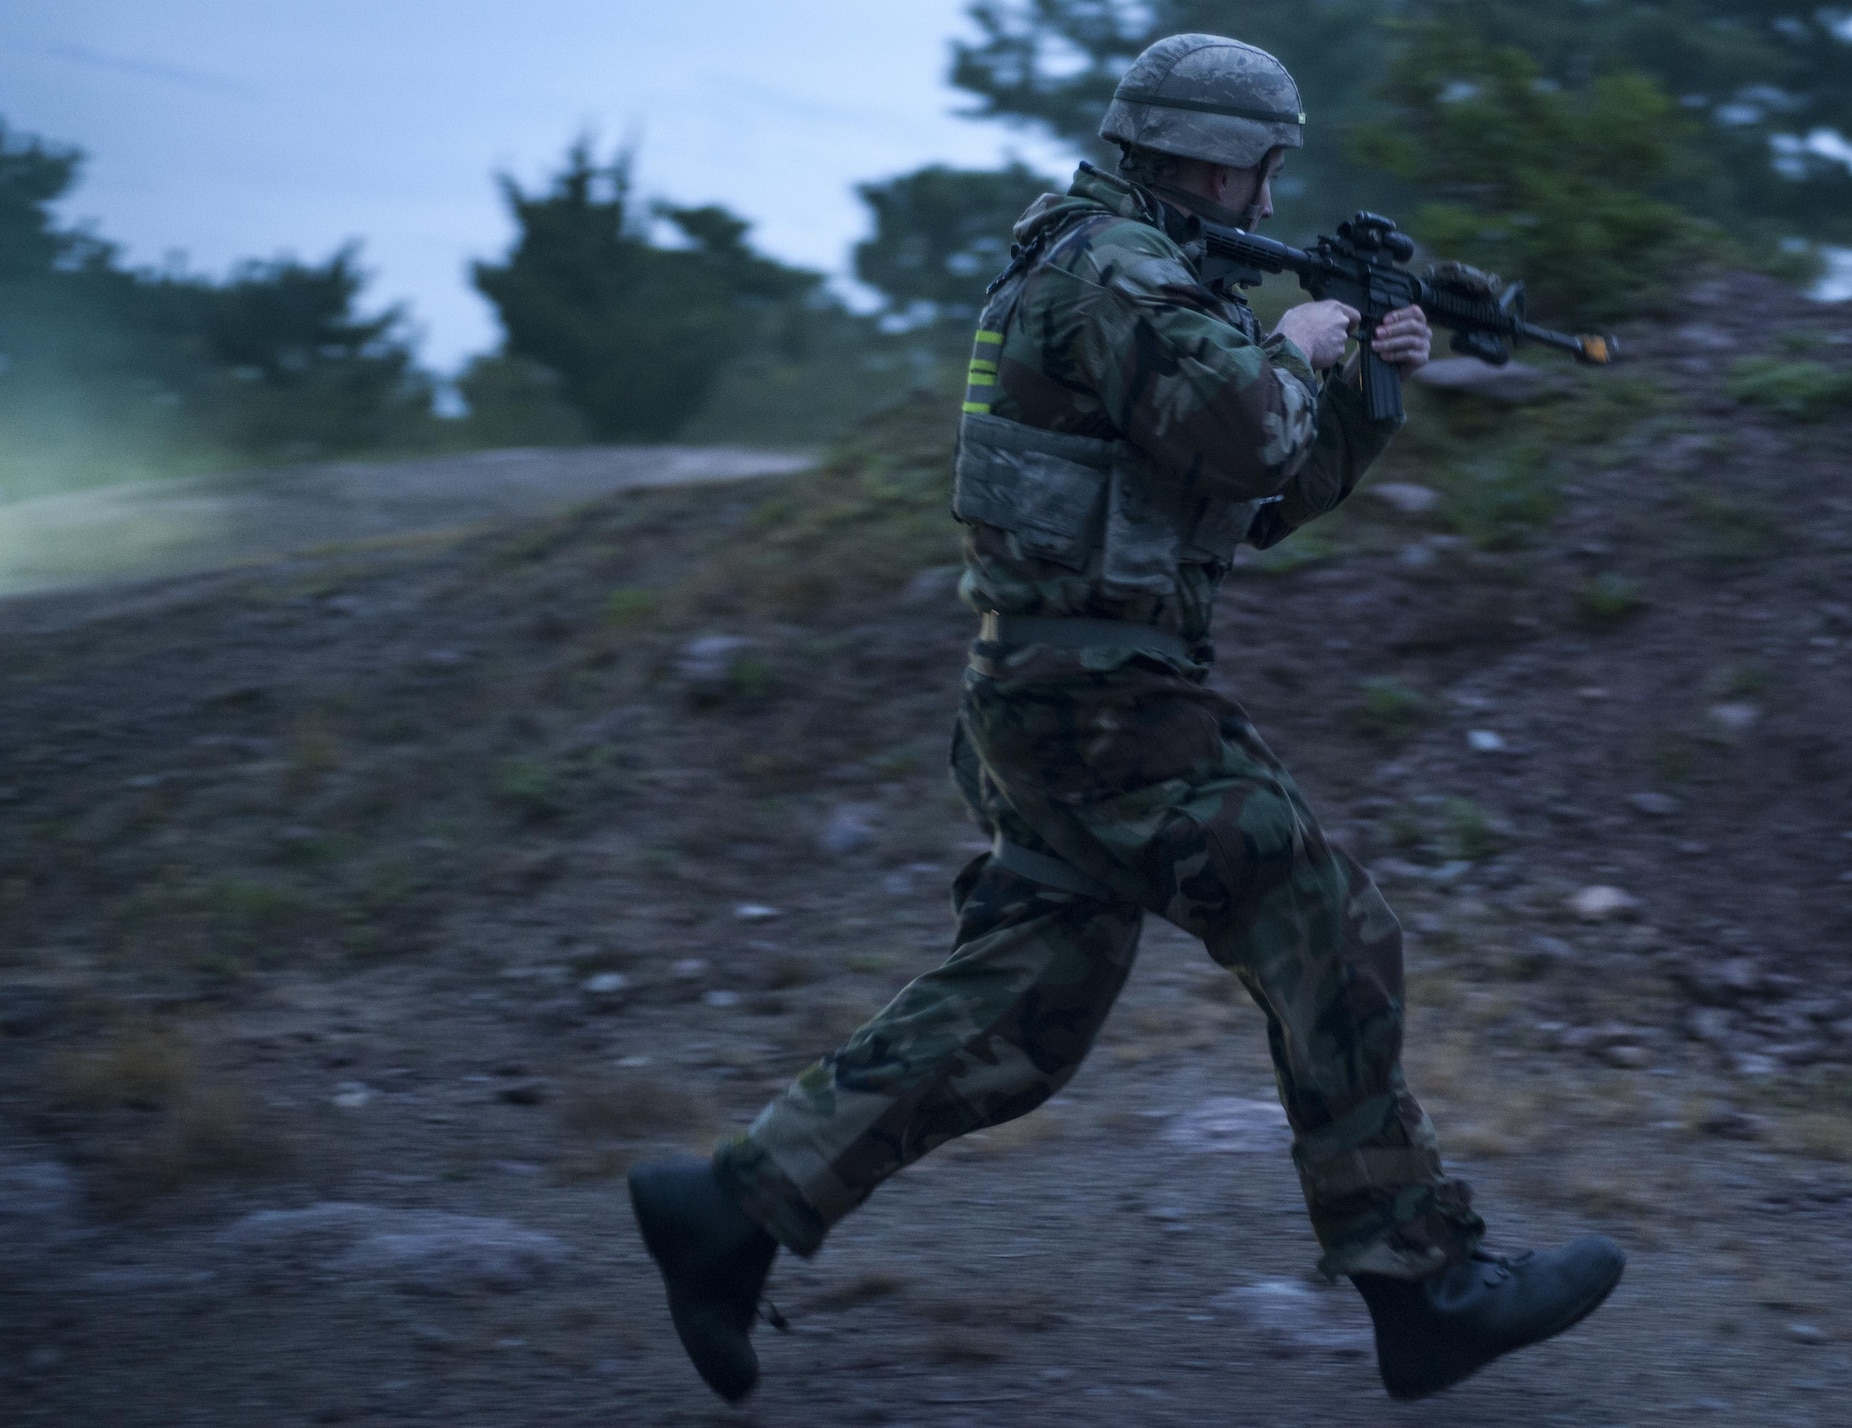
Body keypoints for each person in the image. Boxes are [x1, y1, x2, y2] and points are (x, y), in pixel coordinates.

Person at [628, 31, 1623, 1405]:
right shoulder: (1114, 273)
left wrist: (1359, 389)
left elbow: (1255, 505)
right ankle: (1423, 1282)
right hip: (1104, 702)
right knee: (1327, 926)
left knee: (1024, 1013)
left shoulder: (1133, 271)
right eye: (1262, 171)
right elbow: (1249, 429)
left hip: (1057, 695)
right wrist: (1301, 345)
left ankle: (730, 1211)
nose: (1273, 205)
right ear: (1206, 157)